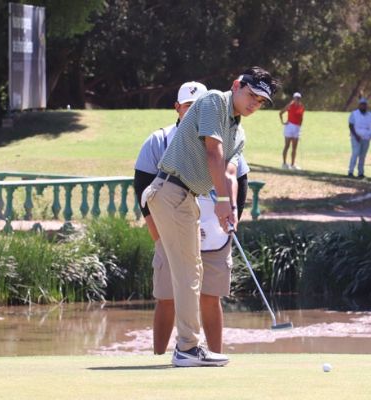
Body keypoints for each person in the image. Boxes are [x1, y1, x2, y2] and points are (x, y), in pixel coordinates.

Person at [143, 67, 278, 367]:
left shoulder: (238, 131)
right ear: (236, 85)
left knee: (194, 272)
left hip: (186, 197)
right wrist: (220, 200)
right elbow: (212, 154)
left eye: (260, 101)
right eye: (251, 95)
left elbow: (228, 170)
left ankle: (188, 346)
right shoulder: (215, 101)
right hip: (169, 190)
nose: (254, 103)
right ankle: (188, 348)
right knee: (189, 273)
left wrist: (230, 207)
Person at [133, 82, 251, 357]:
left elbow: (235, 176)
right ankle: (177, 351)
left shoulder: (230, 132)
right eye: (188, 105)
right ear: (178, 107)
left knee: (206, 291)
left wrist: (230, 211)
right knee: (169, 296)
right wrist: (158, 236)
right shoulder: (161, 138)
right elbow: (144, 189)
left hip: (212, 228)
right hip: (172, 221)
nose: (193, 110)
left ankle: (199, 350)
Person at [348, 97, 371, 178]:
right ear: (359, 105)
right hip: (356, 137)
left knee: (363, 156)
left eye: (364, 105)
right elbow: (351, 126)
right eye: (362, 105)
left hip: (366, 138)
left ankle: (360, 173)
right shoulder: (354, 114)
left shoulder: (370, 115)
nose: (363, 106)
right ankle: (350, 171)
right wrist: (355, 135)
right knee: (355, 153)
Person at [279, 92, 304, 170]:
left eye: (298, 98)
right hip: (289, 127)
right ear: (293, 98)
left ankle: (292, 165)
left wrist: (300, 127)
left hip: (297, 128)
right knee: (287, 146)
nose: (297, 99)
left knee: (294, 147)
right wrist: (283, 122)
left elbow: (301, 118)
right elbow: (281, 113)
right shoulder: (290, 105)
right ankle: (284, 164)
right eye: (296, 98)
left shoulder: (301, 107)